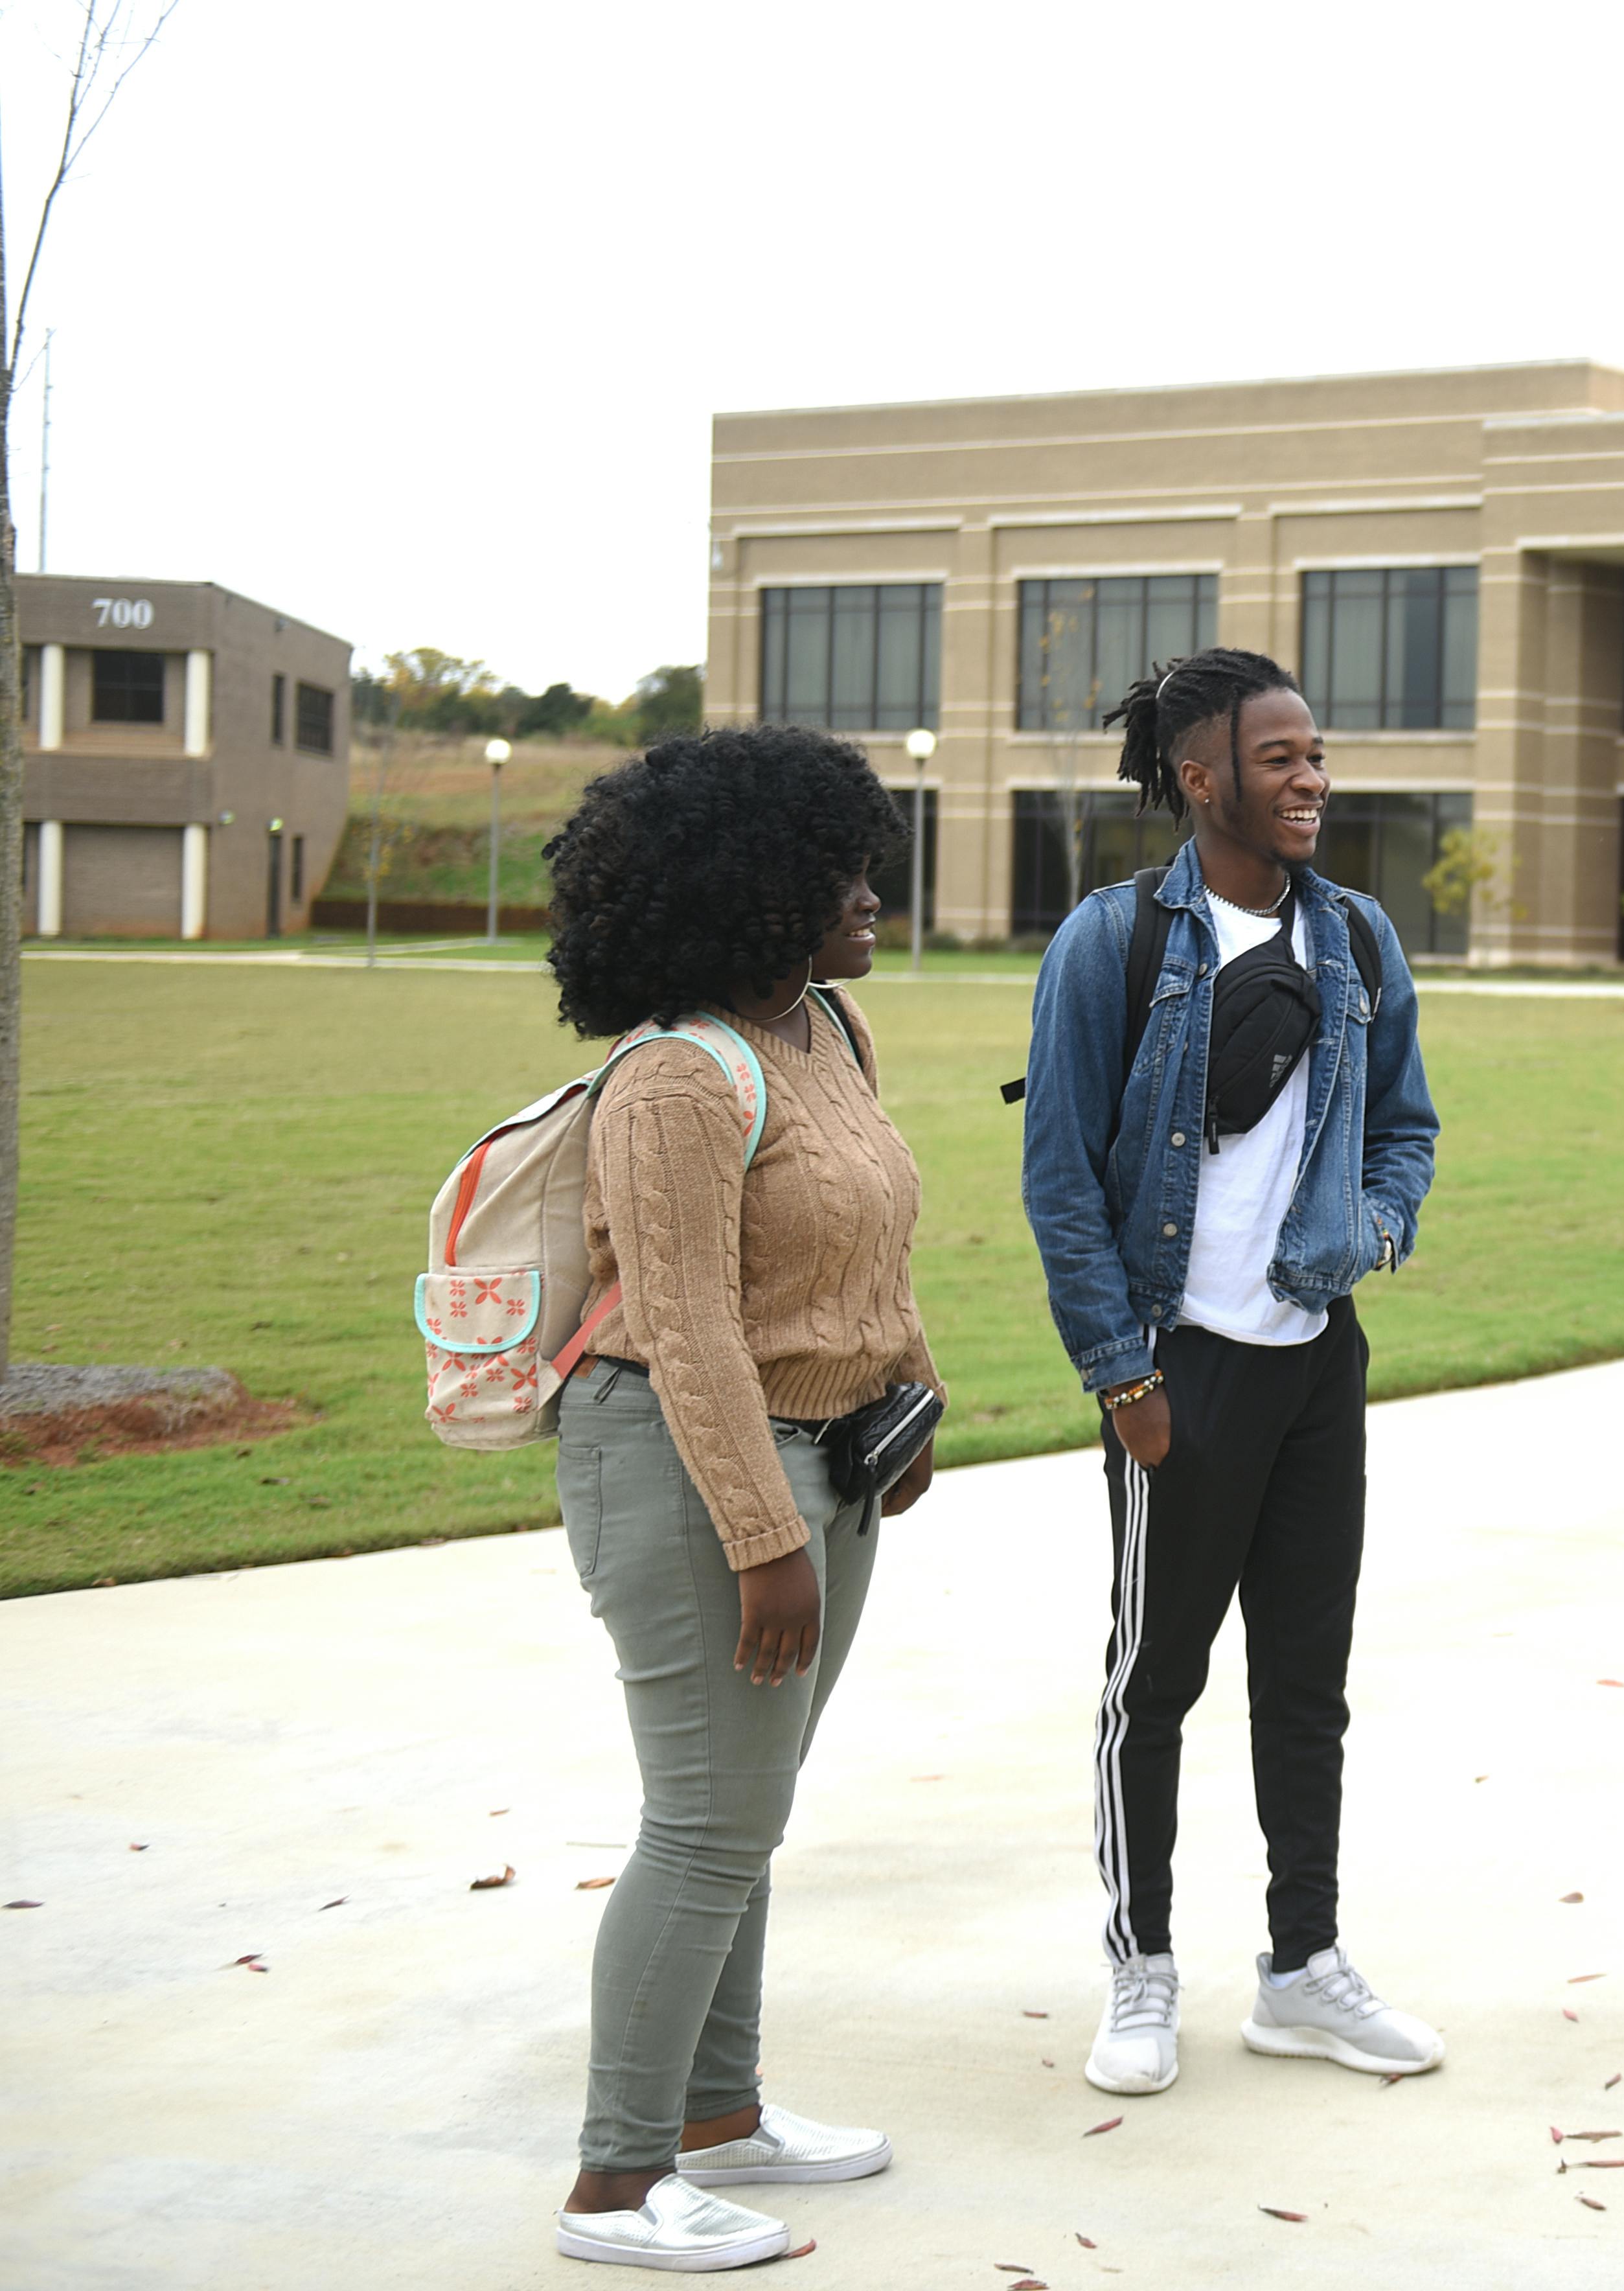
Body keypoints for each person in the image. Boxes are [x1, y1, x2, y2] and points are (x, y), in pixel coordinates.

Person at [1018, 648, 1443, 2103]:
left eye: (1316, 754)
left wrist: (1370, 1229)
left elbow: (1407, 1125)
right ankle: (1140, 1968)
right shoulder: (1112, 941)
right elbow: (1062, 1179)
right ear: (1201, 778)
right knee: (1155, 1682)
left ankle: (1302, 1969)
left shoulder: (1360, 939)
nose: (1311, 778)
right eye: (1279, 758)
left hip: (1318, 1366)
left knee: (1306, 1684)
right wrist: (1119, 1372)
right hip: (1175, 1373)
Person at [540, 729, 941, 2273]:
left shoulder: (825, 1032)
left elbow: (874, 1231)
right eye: (843, 873)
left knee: (745, 1819)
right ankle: (618, 2185)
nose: (870, 897)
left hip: (826, 1451)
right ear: (755, 888)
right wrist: (766, 1538)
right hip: (689, 1463)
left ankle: (719, 2118)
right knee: (704, 1826)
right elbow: (692, 1325)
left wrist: (908, 1388)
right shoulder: (671, 1080)